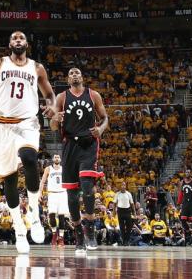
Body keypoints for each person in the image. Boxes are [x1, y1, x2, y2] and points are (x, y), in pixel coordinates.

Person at [0, 31, 57, 254]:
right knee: (9, 180)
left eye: (21, 38)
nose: (18, 41)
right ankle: (19, 227)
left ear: (27, 43)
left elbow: (49, 94)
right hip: (1, 125)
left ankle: (35, 214)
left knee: (29, 158)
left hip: (27, 122)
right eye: (14, 38)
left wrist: (52, 106)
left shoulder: (37, 68)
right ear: (9, 43)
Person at [49, 66, 108, 256]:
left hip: (89, 144)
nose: (75, 75)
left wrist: (101, 129)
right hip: (70, 146)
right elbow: (52, 126)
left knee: (87, 187)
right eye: (71, 73)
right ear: (68, 80)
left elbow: (105, 118)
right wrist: (55, 119)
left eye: (77, 73)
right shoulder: (61, 98)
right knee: (72, 196)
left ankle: (90, 230)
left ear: (82, 77)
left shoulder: (93, 95)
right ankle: (78, 237)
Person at [43, 154, 69, 242]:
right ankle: (54, 234)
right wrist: (39, 193)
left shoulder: (64, 168)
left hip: (62, 193)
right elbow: (42, 182)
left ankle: (61, 237)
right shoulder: (48, 169)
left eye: (58, 157)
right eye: (55, 157)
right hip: (52, 194)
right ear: (53, 159)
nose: (57, 158)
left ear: (60, 159)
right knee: (52, 215)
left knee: (62, 216)